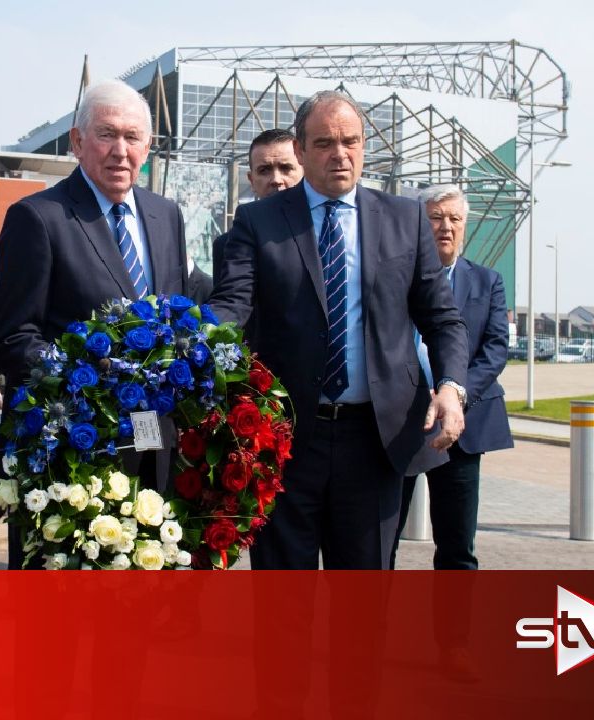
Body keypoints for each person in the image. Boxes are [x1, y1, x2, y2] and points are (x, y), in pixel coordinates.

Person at [210, 90, 469, 570]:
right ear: (302, 151)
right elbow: (232, 304)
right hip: (284, 440)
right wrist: (196, 338)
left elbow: (441, 316)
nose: (340, 154)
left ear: (364, 145)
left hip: (375, 440)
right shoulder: (258, 221)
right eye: (325, 143)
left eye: (350, 141)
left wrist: (451, 387)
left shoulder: (404, 218)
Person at [0, 78, 189, 569]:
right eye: (106, 134)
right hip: (70, 449)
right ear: (77, 142)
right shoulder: (39, 217)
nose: (121, 151)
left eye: (133, 137)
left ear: (148, 146)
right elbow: (10, 336)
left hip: (151, 443)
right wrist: (94, 383)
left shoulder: (166, 216)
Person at [398, 184, 512, 676]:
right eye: (434, 217)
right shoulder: (395, 276)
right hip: (396, 424)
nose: (444, 227)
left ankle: (454, 646)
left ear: (465, 226)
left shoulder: (487, 282)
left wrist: (454, 393)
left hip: (460, 430)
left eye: (453, 219)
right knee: (377, 541)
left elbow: (495, 349)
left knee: (457, 547)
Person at [212, 128, 303, 290]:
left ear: (304, 172)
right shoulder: (225, 246)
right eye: (264, 170)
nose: (276, 180)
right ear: (251, 180)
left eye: (286, 168)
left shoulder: (325, 234)